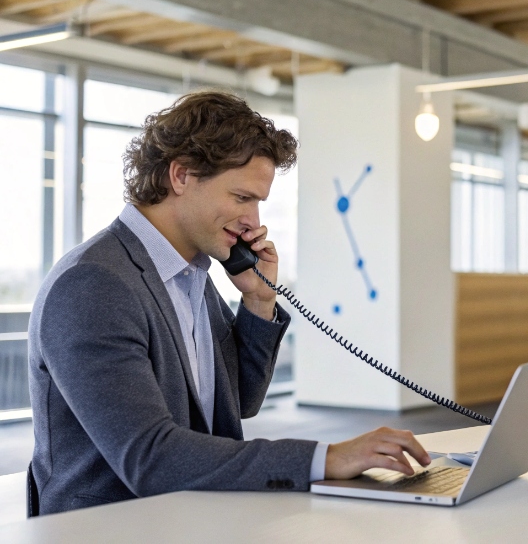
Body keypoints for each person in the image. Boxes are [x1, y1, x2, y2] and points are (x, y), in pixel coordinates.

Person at [27, 91, 430, 516]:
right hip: (109, 530)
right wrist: (326, 458)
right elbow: (150, 458)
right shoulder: (94, 284)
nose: (254, 221)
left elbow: (238, 403)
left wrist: (258, 300)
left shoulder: (192, 277)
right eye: (242, 198)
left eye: (258, 202)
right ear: (180, 176)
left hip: (187, 518)